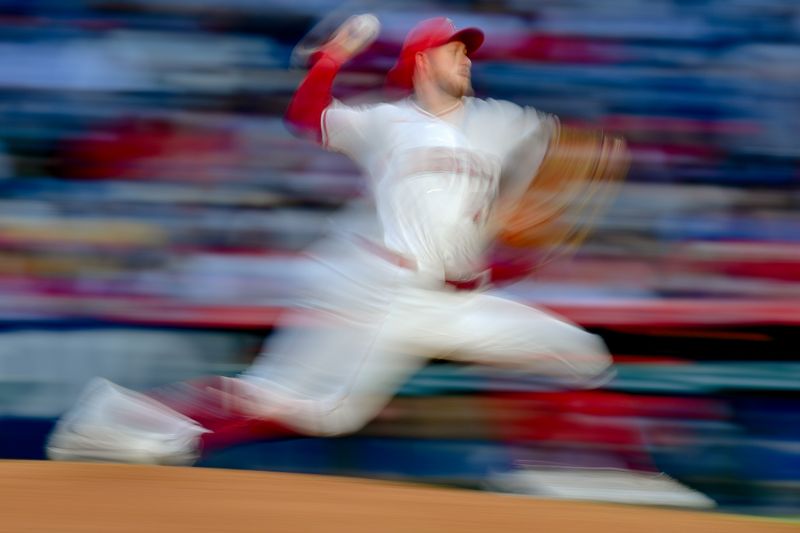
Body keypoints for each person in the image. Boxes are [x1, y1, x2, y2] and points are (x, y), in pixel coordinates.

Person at [46, 16, 612, 465]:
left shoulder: (498, 120)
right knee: (315, 408)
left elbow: (568, 147)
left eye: (467, 49)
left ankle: (574, 472)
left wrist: (564, 190)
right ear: (421, 61)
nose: (465, 57)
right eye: (453, 48)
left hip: (447, 299)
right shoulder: (388, 123)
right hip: (383, 289)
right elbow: (306, 116)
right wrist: (329, 60)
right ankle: (121, 422)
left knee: (576, 352)